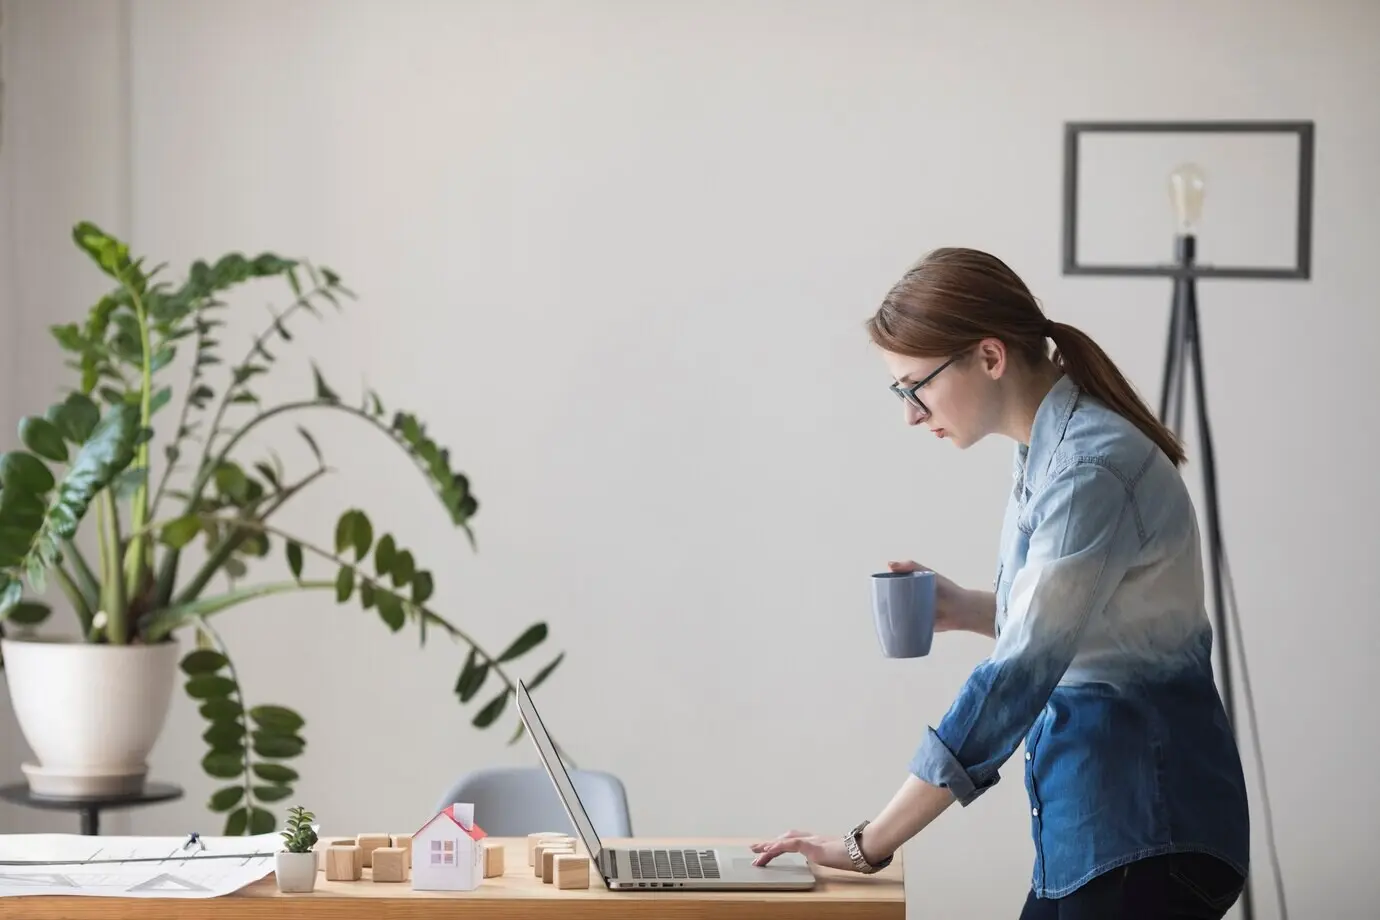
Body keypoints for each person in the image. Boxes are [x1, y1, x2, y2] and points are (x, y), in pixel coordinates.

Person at [750, 247, 1251, 919]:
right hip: (1110, 834)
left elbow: (1016, 678)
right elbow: (1095, 629)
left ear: (989, 357)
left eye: (913, 386)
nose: (910, 413)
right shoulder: (1046, 454)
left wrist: (866, 844)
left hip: (1147, 833)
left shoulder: (1088, 469)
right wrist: (964, 608)